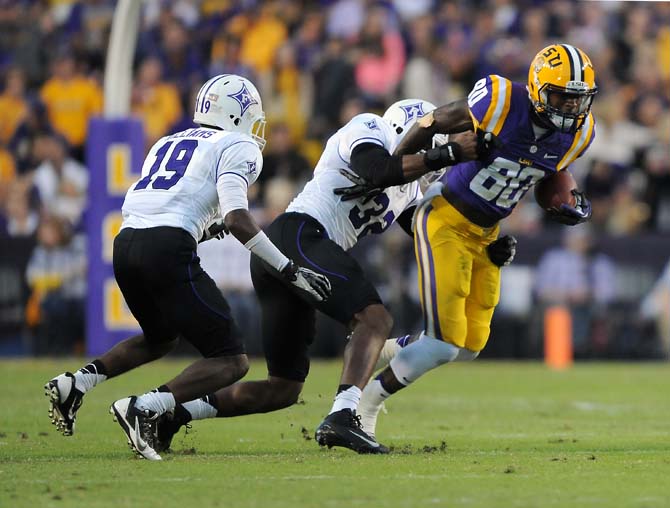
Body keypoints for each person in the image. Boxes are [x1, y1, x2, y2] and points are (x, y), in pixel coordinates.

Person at [152, 98, 513, 455]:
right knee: (374, 318)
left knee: (283, 389)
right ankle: (343, 414)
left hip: (294, 253)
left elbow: (432, 236)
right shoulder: (371, 128)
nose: (436, 163)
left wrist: (486, 251)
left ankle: (171, 415)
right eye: (434, 146)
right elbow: (377, 170)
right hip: (297, 236)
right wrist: (446, 153)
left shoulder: (409, 191)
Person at [44, 74, 331, 461]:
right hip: (166, 246)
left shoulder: (169, 140)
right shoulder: (238, 144)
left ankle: (76, 382)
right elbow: (237, 219)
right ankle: (145, 406)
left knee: (160, 337)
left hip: (125, 243)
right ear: (236, 114)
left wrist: (204, 226)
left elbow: (171, 201)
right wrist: (288, 268)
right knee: (231, 359)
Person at [352, 44, 597, 441]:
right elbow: (433, 121)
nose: (570, 108)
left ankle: (377, 349)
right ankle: (364, 405)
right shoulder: (502, 100)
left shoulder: (580, 134)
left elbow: (548, 174)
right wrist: (397, 168)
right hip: (446, 217)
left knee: (471, 344)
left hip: (487, 234)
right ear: (537, 90)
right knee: (444, 344)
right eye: (561, 98)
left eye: (578, 100)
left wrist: (564, 203)